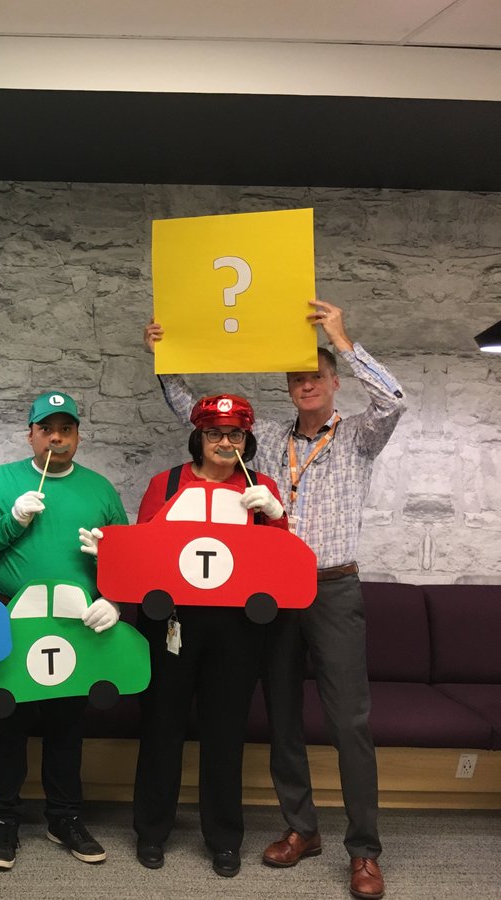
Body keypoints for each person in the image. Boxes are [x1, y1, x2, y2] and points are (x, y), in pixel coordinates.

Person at [146, 299, 404, 900]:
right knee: (283, 717)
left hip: (333, 586)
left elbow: (393, 400)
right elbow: (197, 413)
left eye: (316, 375)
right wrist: (164, 355)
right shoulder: (262, 441)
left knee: (347, 723)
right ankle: (301, 828)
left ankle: (364, 850)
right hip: (272, 594)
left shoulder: (359, 436)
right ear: (289, 388)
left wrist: (342, 338)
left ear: (334, 382)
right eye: (297, 377)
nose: (307, 384)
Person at [0, 390, 127, 872]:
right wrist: (11, 521)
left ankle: (65, 816)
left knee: (67, 728)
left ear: (77, 434)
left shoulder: (99, 489)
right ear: (31, 434)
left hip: (75, 626)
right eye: (47, 429)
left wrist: (112, 591)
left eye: (67, 429)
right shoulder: (2, 479)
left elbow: (126, 560)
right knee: (8, 724)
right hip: (13, 621)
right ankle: (4, 818)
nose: (57, 438)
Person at [131, 393, 287, 878]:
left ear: (248, 438)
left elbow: (282, 566)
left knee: (225, 732)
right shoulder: (169, 482)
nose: (224, 442)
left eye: (235, 434)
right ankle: (151, 830)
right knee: (162, 725)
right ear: (198, 436)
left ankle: (224, 837)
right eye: (215, 433)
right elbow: (142, 549)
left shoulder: (261, 485)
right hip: (172, 619)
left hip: (236, 625)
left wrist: (276, 518)